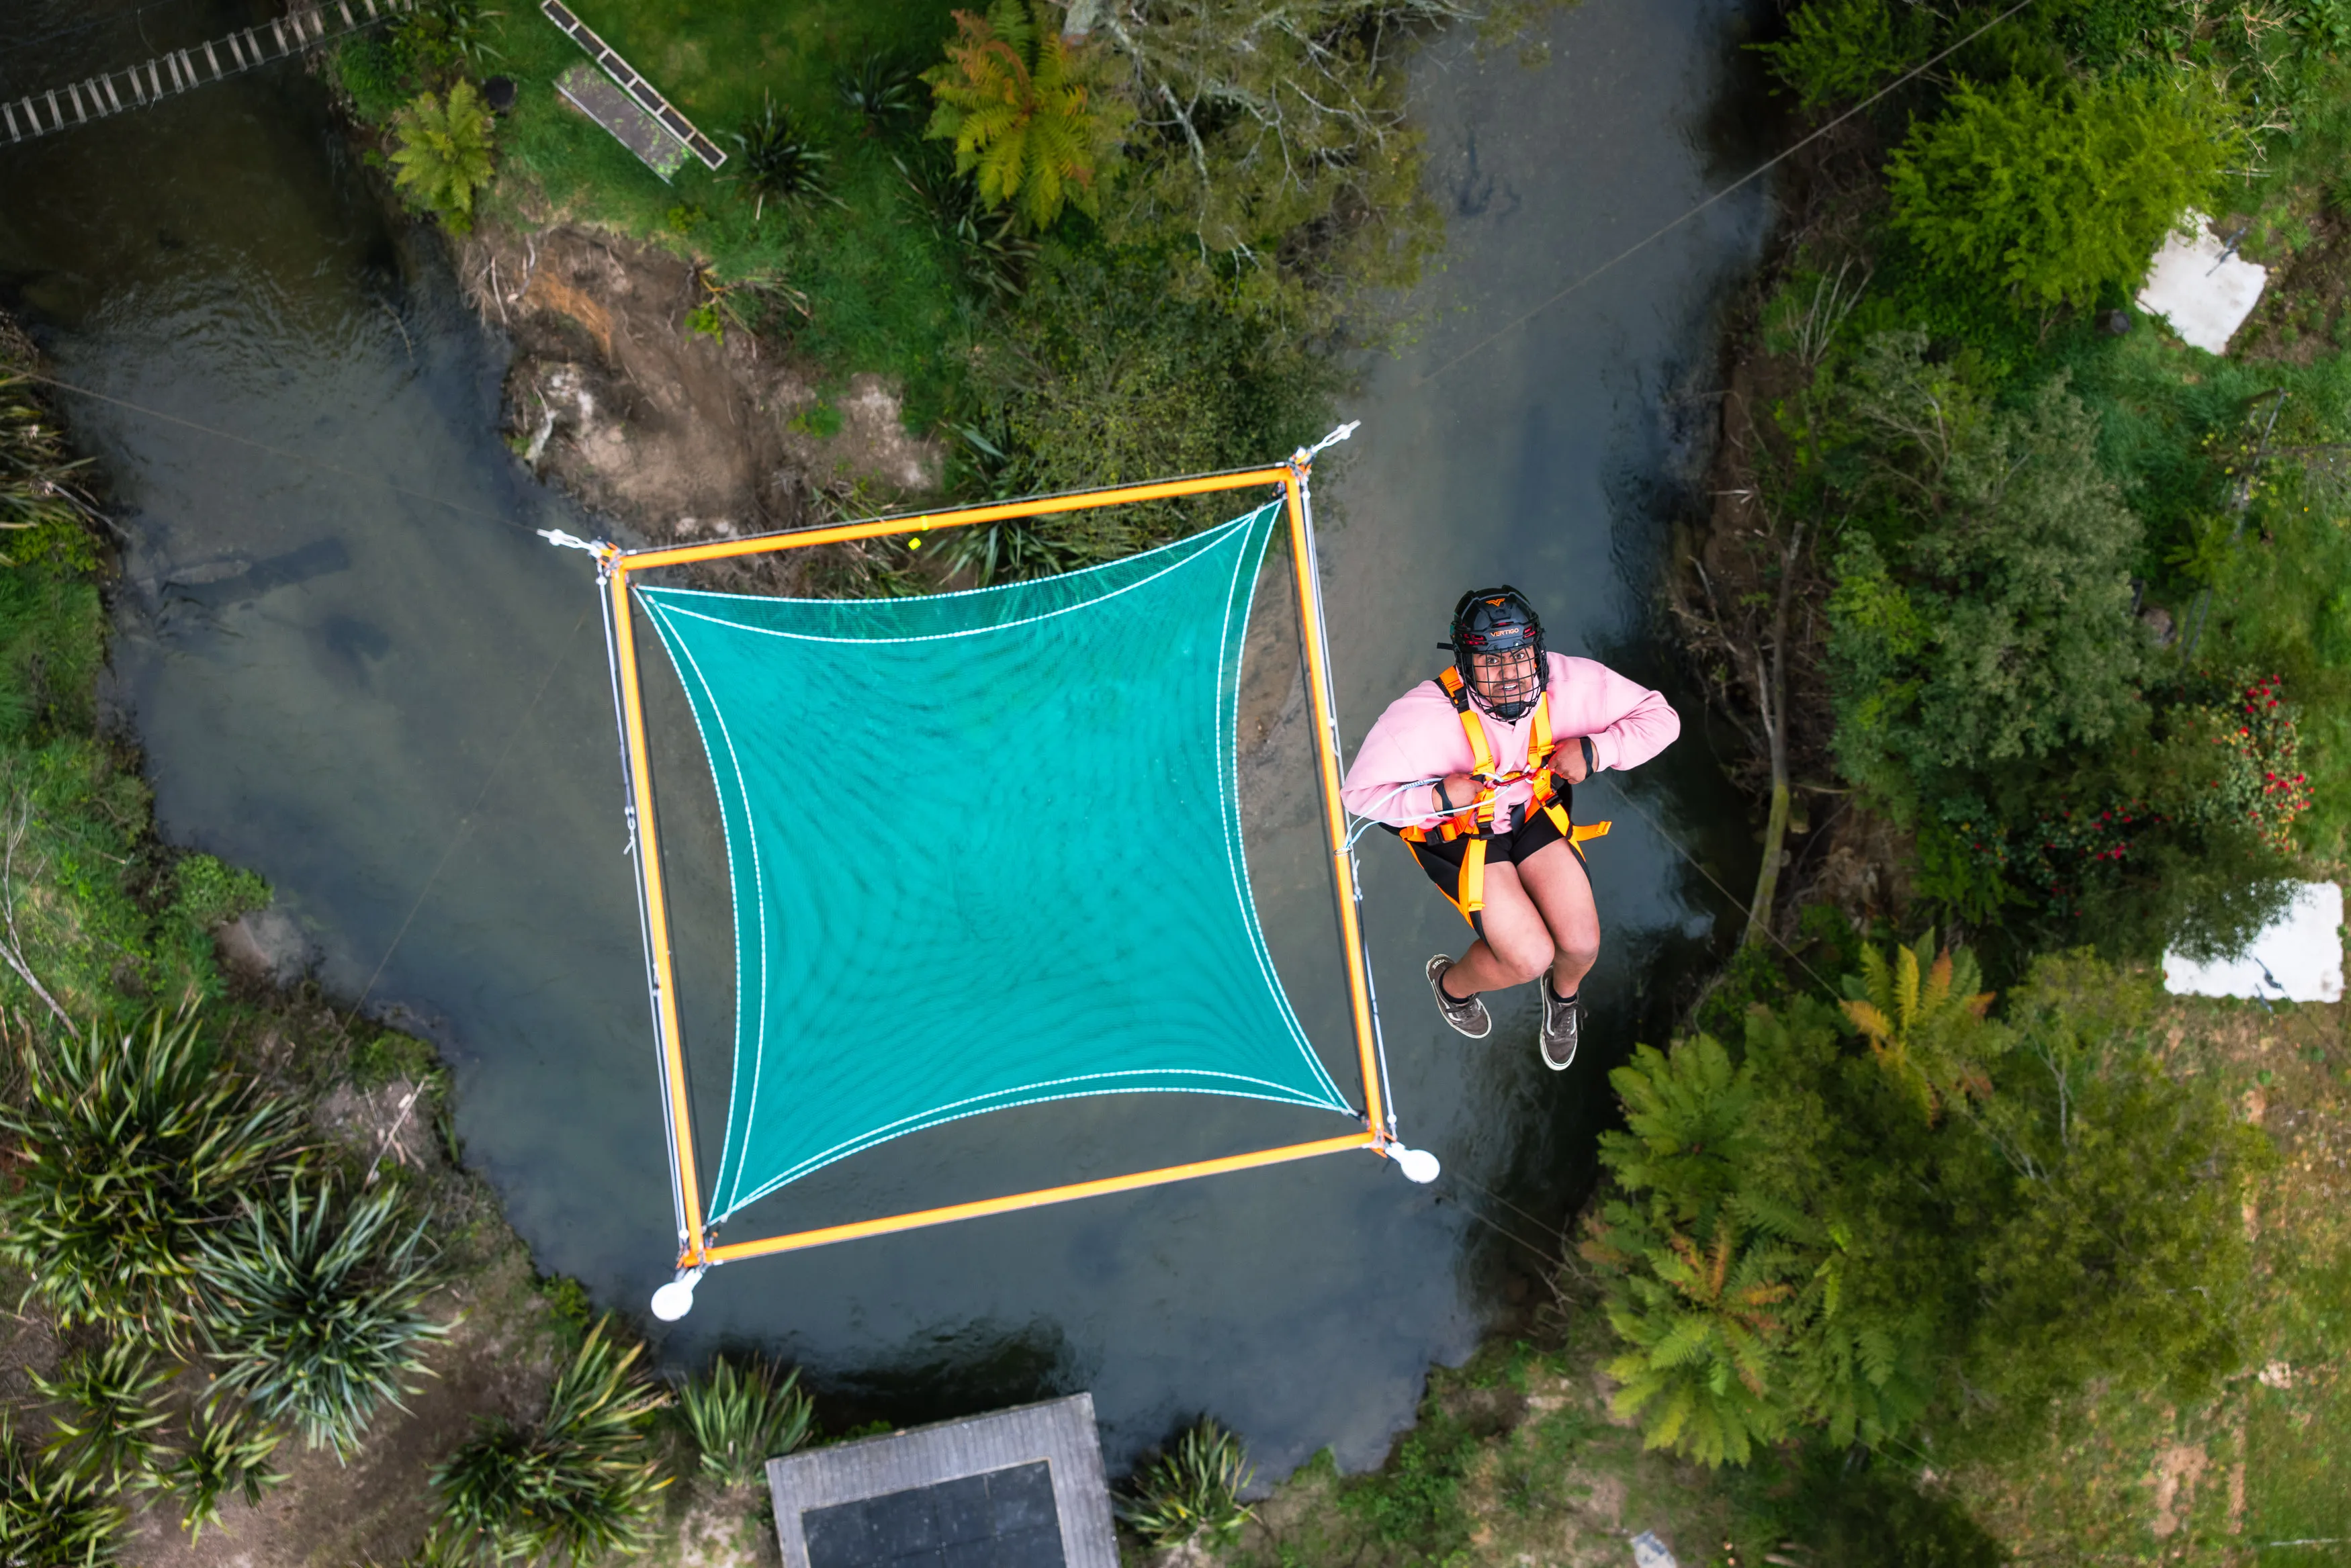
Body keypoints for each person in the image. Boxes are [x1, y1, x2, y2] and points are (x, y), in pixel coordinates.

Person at [1340, 588, 1679, 1069]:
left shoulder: (1572, 684)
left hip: (1530, 813)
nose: (1509, 676)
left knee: (1581, 944)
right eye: (1490, 661)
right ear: (1464, 663)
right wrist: (1436, 796)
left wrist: (1595, 751)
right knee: (1528, 956)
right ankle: (1452, 987)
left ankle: (1562, 1000)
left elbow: (1661, 718)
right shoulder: (1418, 721)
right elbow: (1358, 795)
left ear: (1538, 652)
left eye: (1520, 657)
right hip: (1461, 833)